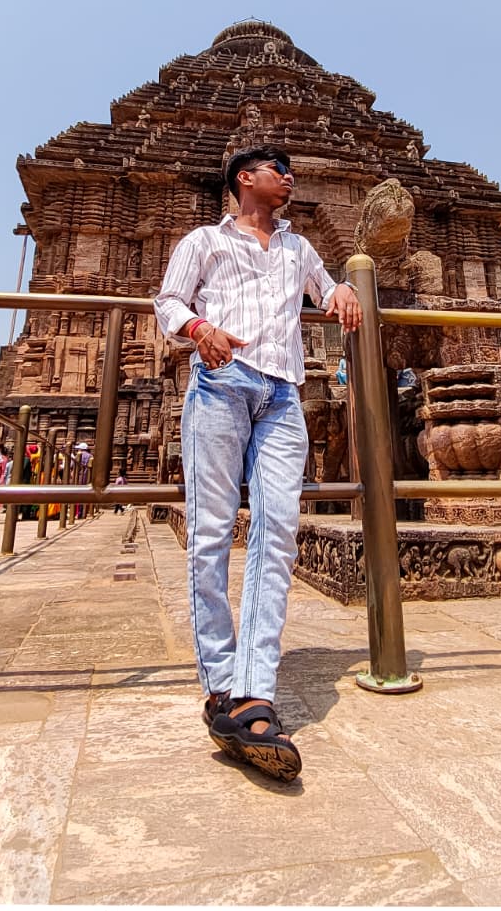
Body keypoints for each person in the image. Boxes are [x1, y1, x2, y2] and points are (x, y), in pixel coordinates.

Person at [154, 145, 362, 782]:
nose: (290, 178)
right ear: (245, 179)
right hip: (221, 383)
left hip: (282, 394)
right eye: (279, 170)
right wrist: (199, 330)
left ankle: (253, 688)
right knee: (211, 532)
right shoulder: (203, 241)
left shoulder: (299, 248)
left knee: (277, 535)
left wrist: (345, 288)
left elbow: (328, 290)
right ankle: (222, 685)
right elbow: (168, 303)